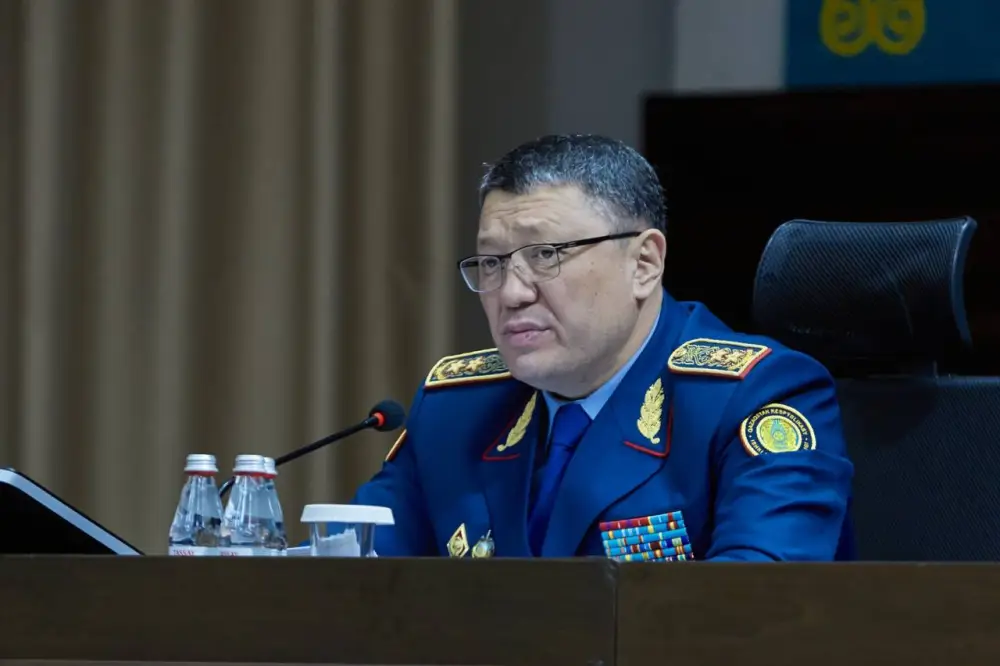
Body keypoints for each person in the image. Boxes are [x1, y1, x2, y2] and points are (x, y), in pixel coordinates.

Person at [353, 133, 855, 561]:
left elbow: (755, 609)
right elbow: (347, 574)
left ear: (644, 264)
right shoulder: (456, 409)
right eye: (492, 263)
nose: (511, 293)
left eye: (545, 254)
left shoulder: (754, 396)